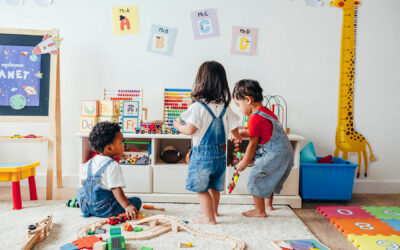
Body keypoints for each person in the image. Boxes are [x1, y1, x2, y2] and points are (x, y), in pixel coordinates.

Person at [174, 61, 241, 224]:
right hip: (220, 156)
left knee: (201, 189)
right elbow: (235, 132)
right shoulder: (225, 107)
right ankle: (214, 211)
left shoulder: (198, 107)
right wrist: (235, 136)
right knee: (214, 187)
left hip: (202, 156)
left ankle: (209, 218)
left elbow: (190, 130)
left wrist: (178, 126)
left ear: (201, 82)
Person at [232, 79, 294, 218]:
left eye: (238, 105)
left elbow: (253, 143)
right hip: (286, 153)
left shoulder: (254, 118)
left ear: (247, 100)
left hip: (274, 154)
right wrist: (241, 133)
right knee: (269, 178)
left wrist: (244, 162)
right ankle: (268, 205)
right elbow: (260, 132)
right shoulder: (266, 112)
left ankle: (260, 211)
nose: (240, 110)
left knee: (256, 178)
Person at [76, 121, 142, 218]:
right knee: (136, 201)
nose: (123, 144)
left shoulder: (89, 162)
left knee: (80, 191)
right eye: (121, 142)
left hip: (86, 207)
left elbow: (83, 182)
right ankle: (120, 206)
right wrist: (127, 206)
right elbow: (116, 189)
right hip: (105, 209)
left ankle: (81, 204)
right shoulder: (112, 166)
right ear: (109, 148)